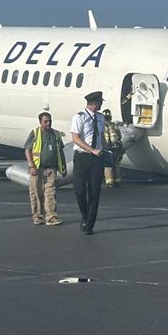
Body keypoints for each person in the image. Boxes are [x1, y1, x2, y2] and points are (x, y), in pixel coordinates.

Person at [70, 91, 106, 235]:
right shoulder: (79, 117)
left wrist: (106, 151)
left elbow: (101, 136)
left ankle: (90, 224)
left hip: (97, 159)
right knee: (79, 190)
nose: (102, 104)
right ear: (95, 103)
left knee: (94, 191)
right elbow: (76, 138)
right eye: (100, 102)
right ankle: (85, 216)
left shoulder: (100, 118)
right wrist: (92, 150)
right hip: (82, 157)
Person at [24, 112, 67, 225]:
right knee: (36, 194)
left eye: (50, 121)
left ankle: (51, 217)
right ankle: (37, 216)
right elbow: (28, 150)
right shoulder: (35, 133)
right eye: (45, 121)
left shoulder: (56, 135)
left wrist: (63, 167)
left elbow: (60, 151)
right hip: (37, 169)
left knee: (50, 193)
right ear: (40, 122)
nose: (48, 123)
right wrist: (31, 165)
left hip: (51, 169)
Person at [102, 108, 124, 188]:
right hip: (116, 148)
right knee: (116, 164)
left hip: (107, 148)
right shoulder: (114, 126)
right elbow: (120, 136)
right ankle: (117, 181)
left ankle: (109, 181)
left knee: (108, 165)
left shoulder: (101, 126)